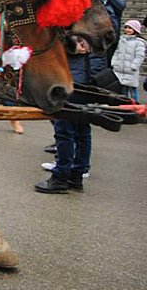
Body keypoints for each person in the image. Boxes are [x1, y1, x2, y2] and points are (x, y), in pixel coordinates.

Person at [35, 38, 103, 194]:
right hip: (86, 77)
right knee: (82, 130)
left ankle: (61, 176)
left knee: (64, 130)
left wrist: (73, 43)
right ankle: (76, 175)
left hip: (73, 76)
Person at [111, 20, 146, 101]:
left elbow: (140, 56)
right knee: (123, 91)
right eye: (126, 27)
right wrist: (114, 62)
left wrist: (134, 66)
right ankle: (124, 105)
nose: (127, 30)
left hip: (130, 71)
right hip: (119, 70)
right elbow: (117, 52)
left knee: (133, 90)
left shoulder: (139, 42)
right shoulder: (121, 40)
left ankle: (136, 105)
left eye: (130, 28)